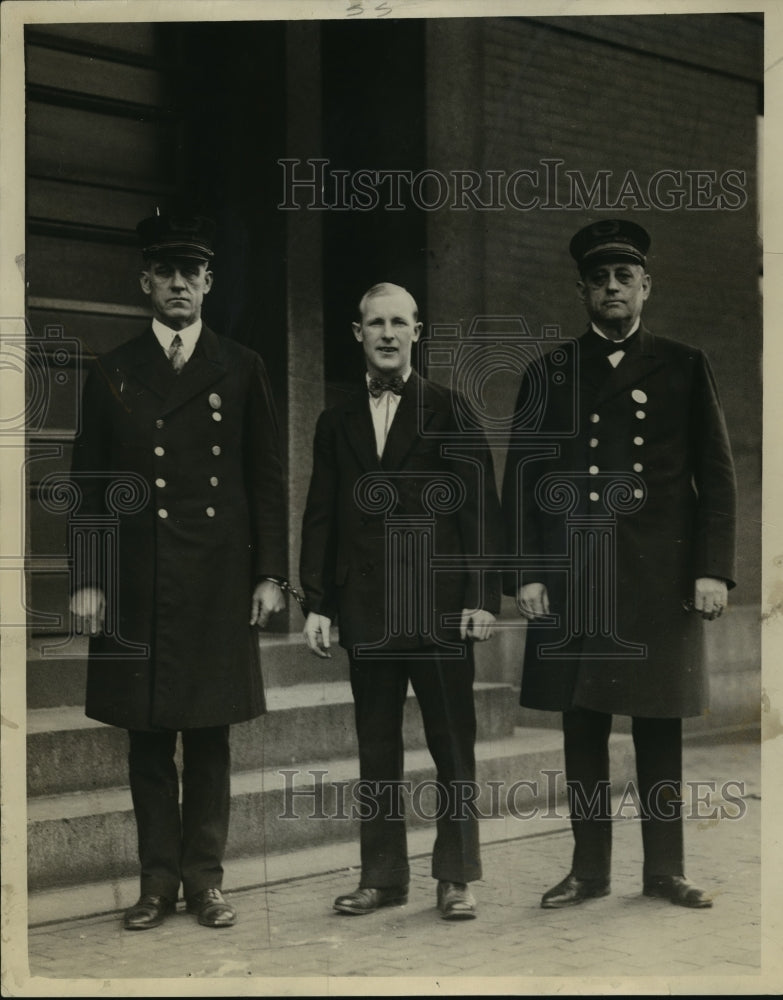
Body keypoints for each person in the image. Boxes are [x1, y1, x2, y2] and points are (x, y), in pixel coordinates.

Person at [501, 220, 736, 910]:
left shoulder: (683, 364)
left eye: (623, 278)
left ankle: (664, 869)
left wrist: (711, 570)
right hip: (576, 578)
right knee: (583, 725)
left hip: (659, 576)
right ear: (581, 291)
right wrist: (529, 573)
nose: (611, 288)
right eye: (598, 279)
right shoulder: (548, 373)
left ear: (645, 288)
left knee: (658, 726)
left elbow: (715, 478)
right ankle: (588, 869)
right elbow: (522, 480)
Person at [69, 211, 288, 930]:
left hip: (217, 581)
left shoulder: (242, 365)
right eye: (164, 272)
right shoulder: (111, 370)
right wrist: (89, 579)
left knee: (211, 735)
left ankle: (206, 881)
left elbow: (266, 480)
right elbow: (91, 485)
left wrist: (270, 575)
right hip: (135, 583)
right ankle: (156, 882)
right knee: (147, 739)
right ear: (144, 282)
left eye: (191, 272)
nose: (178, 285)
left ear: (208, 283)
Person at [299, 282, 501, 920]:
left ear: (418, 332)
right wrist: (319, 602)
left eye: (399, 323)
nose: (387, 334)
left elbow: (480, 513)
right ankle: (383, 877)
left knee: (452, 743)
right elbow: (322, 516)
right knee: (376, 747)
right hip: (368, 610)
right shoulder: (334, 422)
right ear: (357, 334)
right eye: (375, 324)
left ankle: (457, 877)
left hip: (441, 611)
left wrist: (481, 597)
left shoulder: (451, 408)